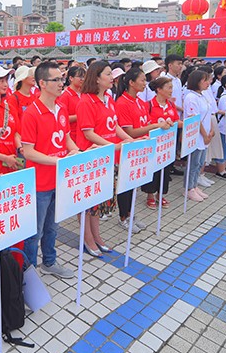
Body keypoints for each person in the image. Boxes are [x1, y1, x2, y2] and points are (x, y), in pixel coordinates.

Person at [21, 62, 77, 278]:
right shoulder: (31, 113)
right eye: (56, 80)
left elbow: (66, 138)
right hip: (40, 183)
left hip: (58, 180)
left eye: (62, 79)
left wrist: (75, 151)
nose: (61, 83)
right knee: (34, 231)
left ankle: (49, 262)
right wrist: (58, 161)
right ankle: (29, 272)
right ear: (42, 83)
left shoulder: (61, 108)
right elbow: (28, 152)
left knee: (53, 227)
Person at [76, 61, 133, 256]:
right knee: (87, 202)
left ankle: (96, 236)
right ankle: (87, 238)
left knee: (98, 199)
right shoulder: (86, 101)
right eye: (108, 74)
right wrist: (112, 146)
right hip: (91, 157)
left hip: (106, 157)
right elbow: (88, 133)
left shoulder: (108, 98)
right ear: (97, 78)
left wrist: (128, 139)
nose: (112, 77)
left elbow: (114, 125)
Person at [116, 67, 167, 230]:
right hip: (128, 150)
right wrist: (154, 126)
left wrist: (160, 124)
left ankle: (131, 214)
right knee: (125, 186)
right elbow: (130, 132)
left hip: (141, 149)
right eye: (142, 80)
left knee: (134, 184)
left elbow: (145, 123)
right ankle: (123, 217)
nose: (146, 83)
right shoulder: (122, 103)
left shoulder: (139, 101)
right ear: (131, 83)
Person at [141, 77, 180, 208]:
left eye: (172, 88)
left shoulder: (171, 105)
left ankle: (161, 194)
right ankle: (150, 195)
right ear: (159, 89)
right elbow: (145, 124)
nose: (171, 90)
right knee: (153, 170)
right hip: (153, 145)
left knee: (165, 169)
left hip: (167, 145)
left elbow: (176, 121)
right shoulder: (149, 105)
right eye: (169, 88)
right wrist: (158, 125)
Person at [183, 70, 214, 202]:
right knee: (193, 163)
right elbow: (195, 119)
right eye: (204, 80)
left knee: (200, 162)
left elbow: (209, 114)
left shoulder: (202, 95)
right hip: (196, 135)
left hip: (205, 135)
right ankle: (188, 188)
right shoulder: (191, 97)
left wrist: (211, 131)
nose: (208, 83)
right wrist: (205, 134)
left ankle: (194, 185)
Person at [58, 65, 84, 144]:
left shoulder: (84, 93)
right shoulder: (65, 96)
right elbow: (62, 118)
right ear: (71, 78)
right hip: (72, 136)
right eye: (80, 77)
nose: (82, 79)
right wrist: (81, 116)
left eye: (84, 77)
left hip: (84, 134)